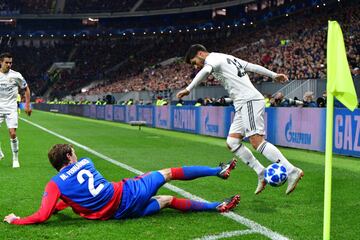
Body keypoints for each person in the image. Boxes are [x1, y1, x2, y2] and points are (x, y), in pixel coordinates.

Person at [177, 44, 303, 195]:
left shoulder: (212, 59)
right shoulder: (226, 57)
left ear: (201, 53)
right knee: (232, 142)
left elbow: (204, 71)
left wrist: (188, 89)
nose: (196, 66)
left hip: (249, 101)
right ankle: (261, 172)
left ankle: (292, 171)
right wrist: (273, 75)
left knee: (257, 142)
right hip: (242, 104)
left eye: (194, 62)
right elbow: (252, 67)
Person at [3, 144, 240, 224]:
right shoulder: (86, 162)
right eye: (73, 153)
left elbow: (43, 215)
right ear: (68, 157)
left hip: (119, 213)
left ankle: (216, 206)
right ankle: (217, 171)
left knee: (166, 200)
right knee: (166, 173)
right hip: (126, 193)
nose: (76, 155)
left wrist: (16, 219)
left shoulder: (55, 185)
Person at [0, 52, 32, 168]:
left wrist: (27, 105)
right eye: (6, 62)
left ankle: (15, 158)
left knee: (12, 133)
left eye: (10, 63)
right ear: (1, 62)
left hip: (11, 108)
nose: (9, 65)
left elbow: (26, 89)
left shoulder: (16, 75)